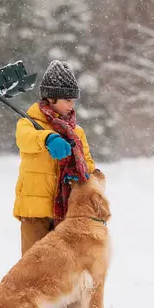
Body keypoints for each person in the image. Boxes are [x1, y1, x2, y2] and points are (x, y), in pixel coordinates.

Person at [13, 60, 96, 256]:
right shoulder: (28, 124)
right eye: (67, 99)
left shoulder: (76, 132)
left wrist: (81, 174)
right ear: (51, 98)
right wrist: (48, 137)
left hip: (67, 213)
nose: (71, 105)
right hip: (35, 213)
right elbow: (25, 140)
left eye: (73, 100)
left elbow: (89, 164)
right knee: (32, 269)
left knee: (63, 273)